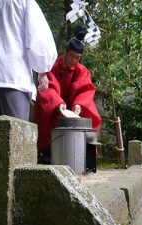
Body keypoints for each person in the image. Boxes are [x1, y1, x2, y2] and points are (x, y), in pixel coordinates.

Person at [34, 26, 102, 171]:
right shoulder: (52, 65)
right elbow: (48, 86)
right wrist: (57, 103)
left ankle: (86, 159)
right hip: (57, 104)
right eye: (72, 56)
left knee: (91, 113)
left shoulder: (81, 70)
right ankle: (47, 153)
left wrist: (79, 104)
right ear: (65, 52)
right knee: (46, 106)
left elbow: (85, 88)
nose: (74, 60)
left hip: (73, 106)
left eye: (78, 58)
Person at [0, 0, 57, 121]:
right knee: (16, 134)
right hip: (14, 77)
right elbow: (38, 38)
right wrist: (43, 70)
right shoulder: (24, 2)